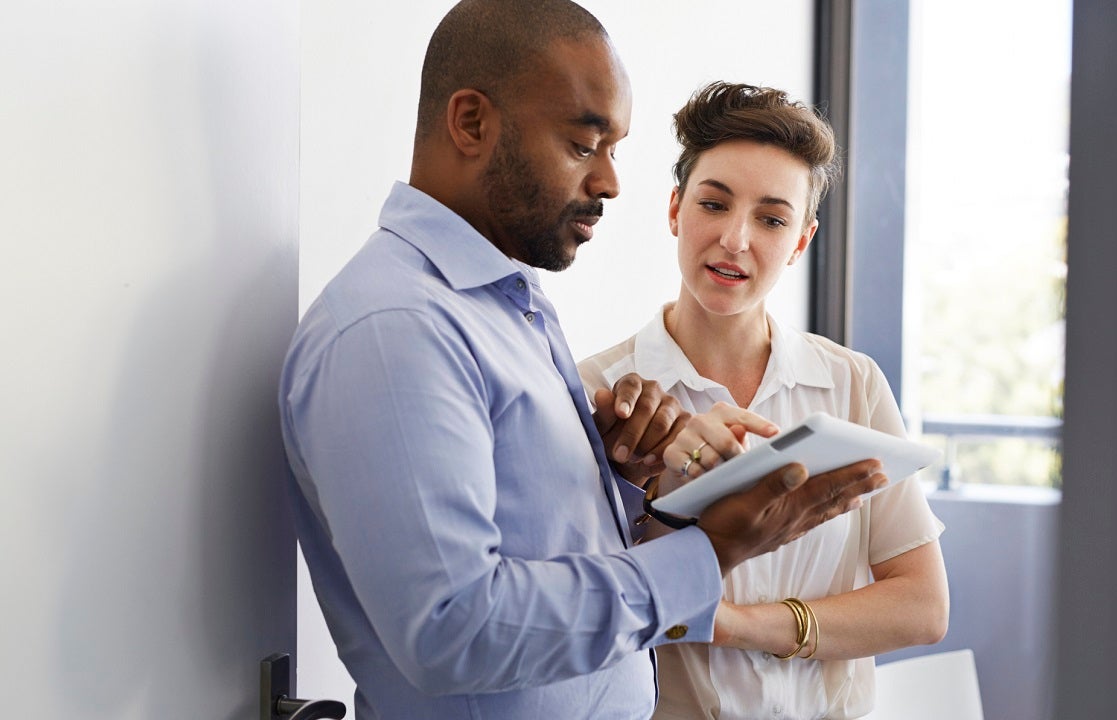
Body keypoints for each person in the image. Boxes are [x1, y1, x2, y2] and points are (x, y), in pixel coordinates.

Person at [277, 2, 888, 718]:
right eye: (581, 145)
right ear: (471, 123)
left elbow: (532, 549)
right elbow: (453, 630)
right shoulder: (394, 330)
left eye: (614, 150)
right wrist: (709, 555)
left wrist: (619, 479)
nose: (609, 182)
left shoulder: (508, 304)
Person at [578, 82, 951, 719]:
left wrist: (741, 625)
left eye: (771, 219)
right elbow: (578, 608)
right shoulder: (600, 392)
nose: (735, 239)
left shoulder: (851, 385)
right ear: (675, 210)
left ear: (801, 240)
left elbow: (921, 606)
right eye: (714, 204)